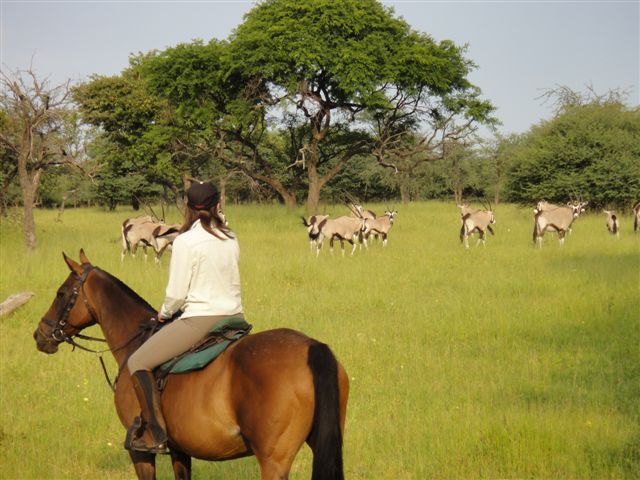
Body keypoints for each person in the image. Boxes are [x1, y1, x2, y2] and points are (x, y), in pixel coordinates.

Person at [126, 180, 243, 454]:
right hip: (235, 316)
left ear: (187, 208)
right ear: (217, 206)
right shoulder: (231, 237)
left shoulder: (185, 242)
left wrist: (164, 314)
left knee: (138, 361)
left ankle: (155, 434)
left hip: (200, 319)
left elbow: (177, 294)